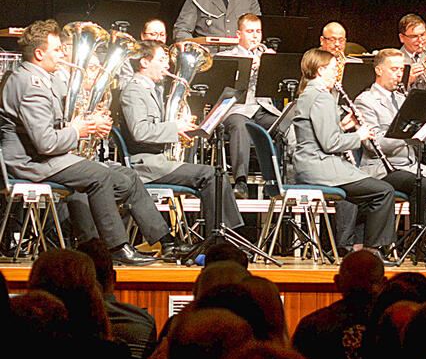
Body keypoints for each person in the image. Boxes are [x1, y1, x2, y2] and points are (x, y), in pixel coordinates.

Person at [0, 20, 180, 265]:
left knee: (123, 177)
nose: (63, 53)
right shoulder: (31, 85)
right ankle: (116, 247)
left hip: (45, 157)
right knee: (100, 176)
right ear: (39, 53)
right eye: (57, 49)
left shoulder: (38, 78)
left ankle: (164, 242)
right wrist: (78, 129)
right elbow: (46, 143)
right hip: (32, 162)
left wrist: (85, 121)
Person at [118, 40, 243, 236]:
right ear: (144, 62)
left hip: (159, 160)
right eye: (161, 60)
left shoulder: (153, 89)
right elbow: (140, 131)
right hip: (146, 165)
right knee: (211, 175)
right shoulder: (134, 91)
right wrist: (175, 127)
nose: (168, 65)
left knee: (216, 174)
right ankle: (219, 238)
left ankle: (225, 235)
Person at [289, 48, 397, 253]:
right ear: (320, 70)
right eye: (333, 68)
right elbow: (330, 144)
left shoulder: (307, 94)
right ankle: (372, 251)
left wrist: (343, 126)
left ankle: (357, 246)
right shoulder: (323, 97)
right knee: (384, 191)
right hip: (320, 167)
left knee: (370, 196)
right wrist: (360, 135)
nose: (337, 73)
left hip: (309, 165)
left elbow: (318, 133)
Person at [352, 49, 426, 223]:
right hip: (383, 168)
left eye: (401, 70)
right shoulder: (365, 101)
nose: (398, 75)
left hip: (410, 166)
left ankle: (422, 231)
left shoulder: (404, 98)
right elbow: (374, 145)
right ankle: (417, 240)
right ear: (379, 70)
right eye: (394, 69)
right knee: (422, 185)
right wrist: (406, 135)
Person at [216, 14, 282, 198]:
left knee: (284, 125)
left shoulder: (267, 55)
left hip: (261, 108)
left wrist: (271, 65)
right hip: (236, 110)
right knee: (240, 126)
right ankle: (241, 181)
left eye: (258, 31)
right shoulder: (226, 57)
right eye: (250, 31)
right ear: (239, 34)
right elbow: (221, 89)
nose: (255, 36)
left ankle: (279, 180)